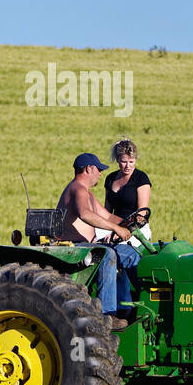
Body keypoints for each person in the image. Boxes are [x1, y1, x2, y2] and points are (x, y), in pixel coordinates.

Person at [56, 152, 141, 330]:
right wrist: (116, 228)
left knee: (127, 254)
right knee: (107, 253)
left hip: (87, 246)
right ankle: (106, 314)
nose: (101, 174)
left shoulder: (87, 193)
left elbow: (108, 216)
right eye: (99, 170)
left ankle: (131, 307)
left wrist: (130, 223)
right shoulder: (77, 188)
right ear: (89, 169)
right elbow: (85, 214)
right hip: (74, 247)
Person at [103, 139, 151, 226]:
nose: (128, 166)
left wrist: (123, 231)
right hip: (114, 226)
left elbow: (142, 213)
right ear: (117, 159)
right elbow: (107, 211)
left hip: (137, 228)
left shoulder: (141, 178)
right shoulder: (110, 178)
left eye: (131, 162)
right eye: (124, 162)